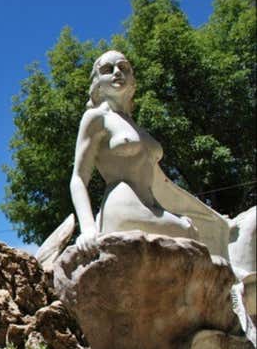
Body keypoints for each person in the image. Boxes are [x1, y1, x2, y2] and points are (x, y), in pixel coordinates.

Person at [71, 50, 229, 257]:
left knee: (198, 234)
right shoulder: (96, 118)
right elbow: (78, 178)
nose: (117, 72)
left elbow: (160, 180)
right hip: (124, 205)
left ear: (132, 78)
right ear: (98, 81)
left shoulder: (136, 127)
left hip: (154, 206)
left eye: (123, 67)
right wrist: (88, 228)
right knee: (190, 235)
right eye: (108, 70)